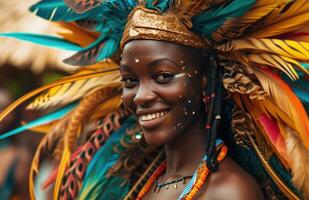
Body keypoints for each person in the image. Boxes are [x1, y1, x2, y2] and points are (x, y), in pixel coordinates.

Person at [0, 0, 308, 200]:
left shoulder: (228, 191)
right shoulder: (135, 180)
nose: (141, 96)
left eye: (162, 76)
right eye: (130, 81)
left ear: (204, 82)